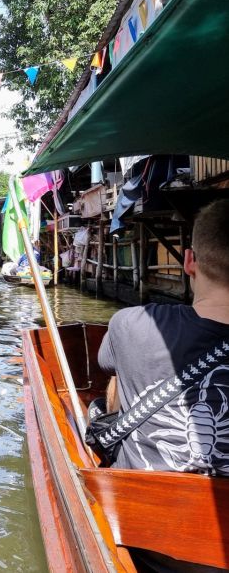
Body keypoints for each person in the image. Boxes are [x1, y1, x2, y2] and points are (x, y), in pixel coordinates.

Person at [98, 199, 229, 570]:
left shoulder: (130, 324)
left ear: (189, 261)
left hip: (148, 541)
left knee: (119, 374)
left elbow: (109, 370)